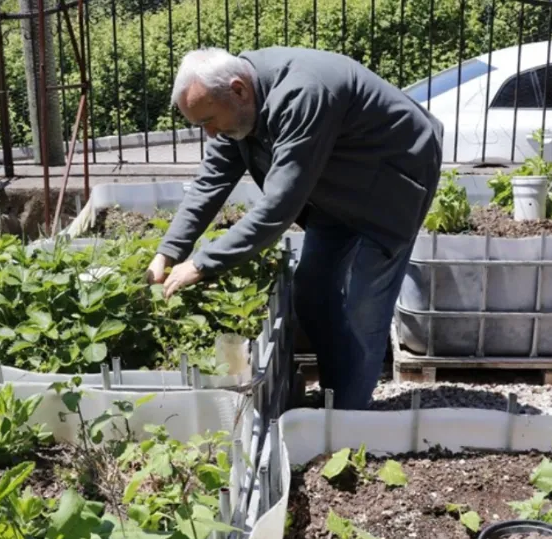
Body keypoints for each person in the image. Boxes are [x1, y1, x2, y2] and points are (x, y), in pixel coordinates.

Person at [145, 46, 444, 410]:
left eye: (208, 120)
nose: (209, 133)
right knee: (311, 292)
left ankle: (347, 420)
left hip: (391, 184)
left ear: (238, 91)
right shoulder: (238, 101)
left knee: (364, 311)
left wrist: (203, 263)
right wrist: (170, 251)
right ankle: (336, 392)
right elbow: (211, 182)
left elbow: (279, 206)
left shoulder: (303, 92)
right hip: (335, 188)